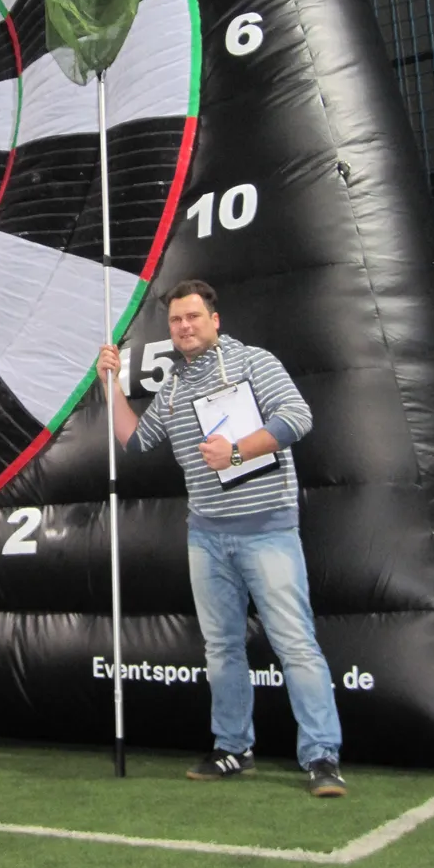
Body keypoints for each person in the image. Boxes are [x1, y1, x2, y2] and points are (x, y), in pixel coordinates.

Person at [97, 278, 346, 797]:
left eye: (193, 317)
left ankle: (322, 756)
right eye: (175, 321)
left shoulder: (255, 362)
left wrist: (236, 452)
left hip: (267, 530)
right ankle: (233, 748)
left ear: (215, 320)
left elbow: (298, 418)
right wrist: (110, 384)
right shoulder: (174, 387)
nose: (184, 327)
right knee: (222, 649)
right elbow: (135, 441)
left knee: (295, 644)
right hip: (206, 537)